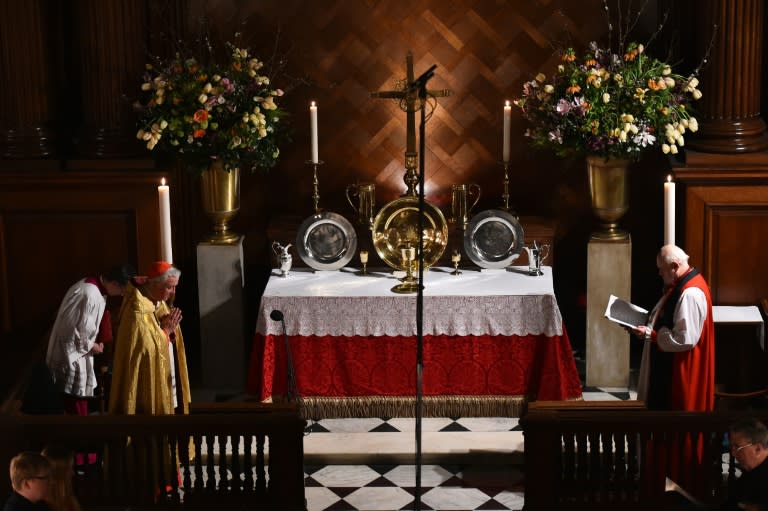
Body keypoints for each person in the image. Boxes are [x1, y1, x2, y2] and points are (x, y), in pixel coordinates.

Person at [632, 244, 715, 412]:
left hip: (682, 369)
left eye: (662, 269)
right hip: (674, 361)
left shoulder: (690, 293)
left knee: (676, 415)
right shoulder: (682, 283)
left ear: (675, 266)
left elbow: (684, 339)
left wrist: (653, 335)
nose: (660, 273)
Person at [45, 264, 137, 415]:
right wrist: (91, 345)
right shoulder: (88, 293)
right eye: (122, 290)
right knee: (74, 409)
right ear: (114, 283)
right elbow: (69, 331)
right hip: (70, 358)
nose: (122, 295)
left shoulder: (94, 289)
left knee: (80, 406)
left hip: (78, 355)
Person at [108, 261, 190, 415]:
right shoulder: (137, 310)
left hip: (166, 371)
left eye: (175, 286)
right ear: (154, 285)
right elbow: (145, 347)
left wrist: (171, 331)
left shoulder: (159, 302)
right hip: (145, 379)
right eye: (169, 287)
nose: (173, 292)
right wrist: (165, 331)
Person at [724, 417, 768, 511]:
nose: (733, 453)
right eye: (731, 447)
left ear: (758, 449)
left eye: (737, 447)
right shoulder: (749, 470)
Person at [39, 447, 80, 511]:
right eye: (69, 468)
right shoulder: (40, 506)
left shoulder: (66, 498)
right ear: (58, 472)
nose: (73, 473)